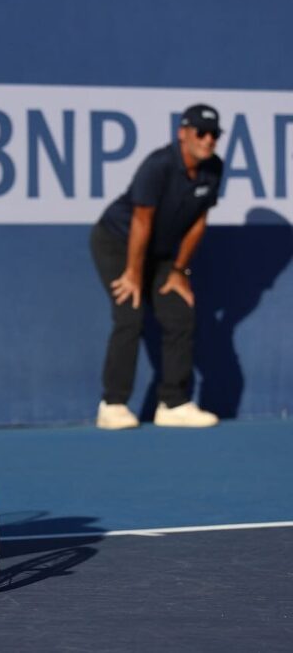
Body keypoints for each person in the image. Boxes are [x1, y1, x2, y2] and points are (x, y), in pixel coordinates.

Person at [90, 104, 224, 429]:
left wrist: (179, 271)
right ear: (183, 133)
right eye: (201, 133)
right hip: (117, 243)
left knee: (179, 312)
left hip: (159, 254)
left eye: (214, 134)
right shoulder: (159, 165)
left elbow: (198, 221)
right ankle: (112, 405)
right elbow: (141, 221)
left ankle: (172, 403)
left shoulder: (214, 168)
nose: (208, 140)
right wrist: (133, 274)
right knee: (130, 312)